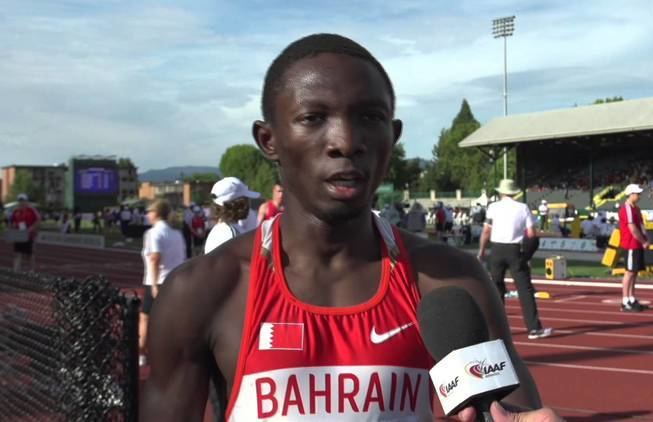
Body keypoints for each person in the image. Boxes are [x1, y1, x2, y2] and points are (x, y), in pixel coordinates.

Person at [141, 33, 559, 421]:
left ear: (392, 137)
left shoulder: (451, 282)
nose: (345, 139)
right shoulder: (202, 291)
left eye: (369, 117)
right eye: (313, 117)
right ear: (269, 140)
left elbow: (513, 414)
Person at [478, 179, 553, 340]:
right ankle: (534, 328)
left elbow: (486, 231)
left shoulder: (493, 207)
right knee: (525, 290)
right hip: (514, 249)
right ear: (514, 192)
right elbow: (532, 234)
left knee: (496, 290)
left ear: (500, 192)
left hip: (496, 250)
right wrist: (527, 255)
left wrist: (482, 251)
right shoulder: (522, 208)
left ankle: (495, 331)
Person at [139, 199, 186, 367]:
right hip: (175, 280)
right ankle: (174, 353)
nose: (147, 215)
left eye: (149, 212)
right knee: (172, 319)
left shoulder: (153, 234)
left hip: (157, 281)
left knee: (145, 318)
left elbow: (155, 258)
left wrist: (153, 284)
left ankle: (142, 352)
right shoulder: (177, 234)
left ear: (156, 213)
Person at [204, 177, 260, 254]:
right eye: (246, 200)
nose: (248, 204)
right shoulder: (230, 234)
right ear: (238, 204)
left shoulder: (226, 230)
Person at [618, 184, 650, 312]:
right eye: (637, 193)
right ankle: (625, 301)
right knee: (629, 272)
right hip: (631, 244)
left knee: (634, 272)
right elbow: (632, 228)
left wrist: (646, 239)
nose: (639, 196)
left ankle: (631, 298)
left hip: (636, 244)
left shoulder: (636, 209)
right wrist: (643, 241)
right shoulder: (627, 209)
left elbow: (641, 226)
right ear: (630, 194)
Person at [10, 193, 41, 272]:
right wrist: (13, 232)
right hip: (18, 234)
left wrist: (31, 228)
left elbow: (38, 220)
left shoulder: (31, 210)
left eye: (23, 200)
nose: (21, 202)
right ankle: (16, 270)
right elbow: (12, 222)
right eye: (20, 201)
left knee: (29, 254)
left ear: (26, 201)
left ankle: (32, 270)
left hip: (29, 234)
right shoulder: (16, 211)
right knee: (17, 254)